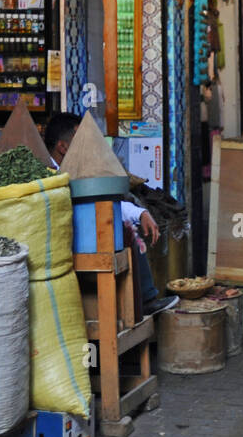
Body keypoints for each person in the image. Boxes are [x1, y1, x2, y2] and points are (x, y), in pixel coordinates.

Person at [45, 113, 162, 305]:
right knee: (126, 232)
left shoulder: (77, 169)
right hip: (64, 242)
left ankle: (144, 301)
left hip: (85, 233)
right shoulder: (50, 173)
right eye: (79, 138)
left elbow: (105, 201)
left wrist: (140, 213)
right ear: (63, 147)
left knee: (127, 229)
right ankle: (146, 301)